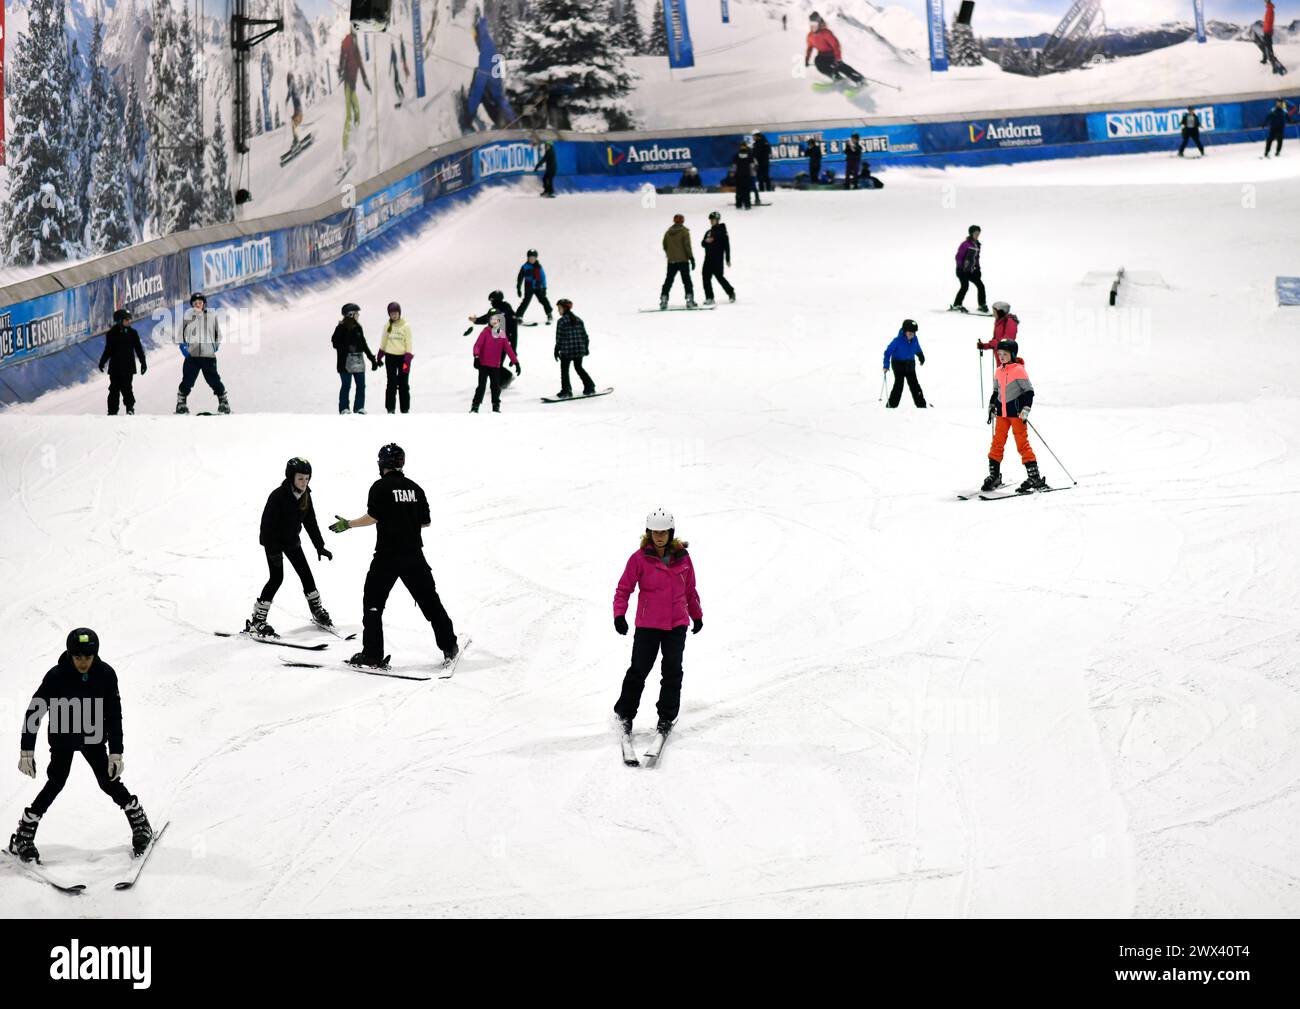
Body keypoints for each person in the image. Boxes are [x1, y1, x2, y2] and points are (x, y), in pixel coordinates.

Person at [10, 629, 155, 862]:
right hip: (63, 738)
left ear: (95, 655)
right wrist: (26, 750)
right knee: (55, 783)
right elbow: (34, 711)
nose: (83, 662)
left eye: (88, 657)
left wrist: (116, 752)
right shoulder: (56, 676)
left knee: (108, 782)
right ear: (70, 655)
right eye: (78, 657)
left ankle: (139, 822)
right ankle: (24, 835)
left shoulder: (106, 675)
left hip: (93, 738)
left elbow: (114, 715)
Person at [329, 444, 460, 669]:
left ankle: (372, 655)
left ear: (382, 464)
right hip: (413, 556)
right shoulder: (415, 489)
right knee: (430, 602)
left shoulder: (379, 487)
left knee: (373, 604)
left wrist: (348, 524)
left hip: (387, 557)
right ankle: (449, 645)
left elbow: (372, 517)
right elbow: (425, 521)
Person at [612, 509, 703, 737]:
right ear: (648, 533)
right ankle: (624, 715)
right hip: (648, 625)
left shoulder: (683, 558)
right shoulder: (639, 558)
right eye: (655, 532)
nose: (659, 536)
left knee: (672, 672)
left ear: (671, 533)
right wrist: (619, 615)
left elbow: (690, 590)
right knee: (638, 671)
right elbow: (624, 589)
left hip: (676, 625)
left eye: (663, 532)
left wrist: (697, 615)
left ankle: (666, 718)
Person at [246, 458, 333, 638]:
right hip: (274, 543)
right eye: (300, 478)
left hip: (292, 542)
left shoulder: (306, 496)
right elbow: (266, 526)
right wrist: (272, 549)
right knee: (276, 578)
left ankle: (317, 612)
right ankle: (257, 620)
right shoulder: (277, 496)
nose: (304, 482)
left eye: (307, 478)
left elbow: (311, 522)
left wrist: (320, 546)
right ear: (291, 477)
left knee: (307, 576)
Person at [982, 339, 1047, 493]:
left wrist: (1026, 409)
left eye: (1005, 354)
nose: (1002, 356)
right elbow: (996, 392)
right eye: (999, 354)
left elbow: (1029, 391)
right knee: (997, 443)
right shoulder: (998, 371)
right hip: (1002, 415)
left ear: (1012, 354)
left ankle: (1035, 477)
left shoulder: (1018, 370)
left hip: (1017, 415)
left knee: (1022, 444)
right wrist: (992, 405)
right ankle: (995, 476)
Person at [176, 292, 230, 415]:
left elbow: (218, 335)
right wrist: (184, 349)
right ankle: (181, 403)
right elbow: (181, 336)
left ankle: (223, 402)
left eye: (200, 303)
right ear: (192, 305)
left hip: (208, 356)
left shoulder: (211, 316)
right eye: (195, 303)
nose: (197, 305)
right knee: (188, 379)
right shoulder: (187, 318)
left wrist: (214, 347)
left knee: (214, 379)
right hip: (192, 356)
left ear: (204, 304)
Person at [332, 303, 379, 414]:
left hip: (358, 361)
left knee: (361, 385)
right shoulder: (340, 328)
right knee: (346, 385)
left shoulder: (358, 328)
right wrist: (347, 347)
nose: (358, 315)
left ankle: (359, 407)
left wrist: (372, 359)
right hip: (345, 363)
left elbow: (363, 344)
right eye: (357, 313)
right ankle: (344, 408)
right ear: (350, 314)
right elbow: (335, 343)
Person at [98, 307, 147, 416]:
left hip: (128, 367)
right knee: (114, 389)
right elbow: (108, 350)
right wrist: (102, 362)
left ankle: (130, 408)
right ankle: (112, 411)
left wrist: (143, 363)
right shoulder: (111, 334)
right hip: (115, 368)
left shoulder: (133, 333)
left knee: (127, 388)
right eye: (126, 319)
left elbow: (138, 349)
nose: (129, 321)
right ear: (120, 321)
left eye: (129, 319)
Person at [470, 310, 521, 413]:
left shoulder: (502, 334)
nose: (494, 321)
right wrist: (476, 356)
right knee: (481, 387)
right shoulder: (485, 332)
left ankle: (496, 407)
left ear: (499, 320)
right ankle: (475, 406)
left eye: (496, 319)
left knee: (495, 388)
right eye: (491, 319)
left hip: (495, 366)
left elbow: (508, 349)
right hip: (483, 365)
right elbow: (477, 345)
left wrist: (516, 362)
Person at [805, 11, 866, 85]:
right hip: (822, 56)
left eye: (814, 24)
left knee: (839, 66)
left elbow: (836, 45)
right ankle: (836, 77)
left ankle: (859, 79)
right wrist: (807, 59)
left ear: (819, 23)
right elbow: (809, 48)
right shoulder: (810, 36)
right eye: (811, 24)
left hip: (832, 55)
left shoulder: (826, 33)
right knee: (818, 62)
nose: (812, 26)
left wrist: (838, 59)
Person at [553, 298, 597, 398]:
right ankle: (590, 386)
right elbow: (585, 336)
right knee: (579, 368)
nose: (558, 311)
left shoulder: (561, 321)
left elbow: (559, 338)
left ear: (565, 309)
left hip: (567, 351)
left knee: (564, 370)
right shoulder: (579, 320)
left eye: (559, 308)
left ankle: (566, 391)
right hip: (579, 350)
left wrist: (556, 349)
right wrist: (586, 348)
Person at [338, 26, 372, 154]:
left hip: (352, 86)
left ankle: (356, 137)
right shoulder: (348, 43)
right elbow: (343, 56)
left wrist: (366, 82)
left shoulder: (355, 49)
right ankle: (345, 149)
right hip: (348, 84)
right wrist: (341, 69)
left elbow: (361, 67)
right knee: (348, 116)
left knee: (357, 111)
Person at [376, 302, 413, 414]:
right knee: (391, 383)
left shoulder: (405, 326)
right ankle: (390, 409)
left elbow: (409, 343)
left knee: (403, 384)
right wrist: (380, 355)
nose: (394, 315)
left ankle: (405, 409)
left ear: (399, 313)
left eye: (396, 313)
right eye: (392, 313)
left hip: (403, 358)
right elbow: (384, 340)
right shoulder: (387, 325)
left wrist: (407, 359)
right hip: (390, 357)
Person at [882, 319, 927, 409]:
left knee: (915, 385)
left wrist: (921, 356)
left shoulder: (915, 339)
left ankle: (922, 405)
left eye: (913, 333)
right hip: (898, 365)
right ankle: (891, 406)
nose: (911, 335)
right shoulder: (897, 341)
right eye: (910, 333)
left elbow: (917, 348)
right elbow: (888, 352)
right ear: (905, 332)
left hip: (910, 365)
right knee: (899, 385)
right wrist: (886, 365)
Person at [660, 214, 696, 309]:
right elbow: (687, 246)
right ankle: (689, 300)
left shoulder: (668, 232)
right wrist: (691, 258)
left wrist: (670, 254)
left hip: (671, 261)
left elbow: (664, 245)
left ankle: (664, 299)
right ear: (682, 221)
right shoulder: (684, 232)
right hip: (683, 260)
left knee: (668, 280)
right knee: (686, 281)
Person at [700, 211, 735, 306]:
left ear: (718, 220)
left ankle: (731, 292)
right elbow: (702, 244)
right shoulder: (709, 232)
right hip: (708, 259)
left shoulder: (723, 232)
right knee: (705, 277)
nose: (711, 221)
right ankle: (709, 297)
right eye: (711, 220)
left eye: (713, 220)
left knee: (719, 277)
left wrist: (727, 259)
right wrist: (706, 241)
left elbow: (727, 246)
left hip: (718, 259)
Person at [951, 225, 987, 313]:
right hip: (962, 270)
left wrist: (978, 268)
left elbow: (976, 258)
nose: (977, 235)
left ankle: (982, 305)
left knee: (980, 285)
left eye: (978, 233)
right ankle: (956, 305)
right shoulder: (965, 244)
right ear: (971, 233)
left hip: (971, 271)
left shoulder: (977, 245)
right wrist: (960, 268)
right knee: (965, 286)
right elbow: (958, 257)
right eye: (975, 233)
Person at [515, 250, 553, 324]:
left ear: (536, 258)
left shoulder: (539, 267)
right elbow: (520, 278)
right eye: (530, 258)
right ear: (528, 258)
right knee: (525, 302)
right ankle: (519, 316)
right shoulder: (525, 267)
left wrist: (544, 288)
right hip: (529, 287)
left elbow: (543, 277)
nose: (532, 259)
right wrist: (518, 288)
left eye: (533, 258)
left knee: (543, 300)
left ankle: (549, 314)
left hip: (538, 287)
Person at [732, 141, 754, 210]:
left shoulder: (750, 155)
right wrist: (733, 172)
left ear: (746, 146)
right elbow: (734, 165)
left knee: (747, 191)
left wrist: (752, 174)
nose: (742, 147)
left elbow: (752, 165)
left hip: (747, 175)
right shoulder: (736, 155)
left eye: (744, 146)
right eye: (741, 146)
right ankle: (739, 204)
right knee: (739, 191)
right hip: (738, 176)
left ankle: (747, 204)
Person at [285, 71, 304, 151]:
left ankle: (296, 140)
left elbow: (289, 91)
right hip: (299, 111)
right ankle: (295, 139)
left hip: (298, 111)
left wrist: (287, 99)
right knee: (293, 122)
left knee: (293, 123)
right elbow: (300, 91)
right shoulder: (295, 85)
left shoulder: (292, 83)